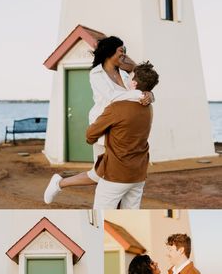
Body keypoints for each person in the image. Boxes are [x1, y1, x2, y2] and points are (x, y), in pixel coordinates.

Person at [44, 36, 153, 205]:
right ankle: (59, 183)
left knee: (101, 175)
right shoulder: (96, 74)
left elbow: (136, 90)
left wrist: (149, 94)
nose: (124, 54)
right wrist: (139, 95)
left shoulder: (124, 74)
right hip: (103, 127)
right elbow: (112, 98)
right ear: (110, 52)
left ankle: (59, 183)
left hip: (120, 128)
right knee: (102, 175)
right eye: (120, 50)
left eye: (125, 50)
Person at [86, 61, 159, 209]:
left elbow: (90, 135)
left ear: (133, 83)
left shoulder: (116, 108)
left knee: (100, 211)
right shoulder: (148, 107)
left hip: (116, 173)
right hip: (138, 174)